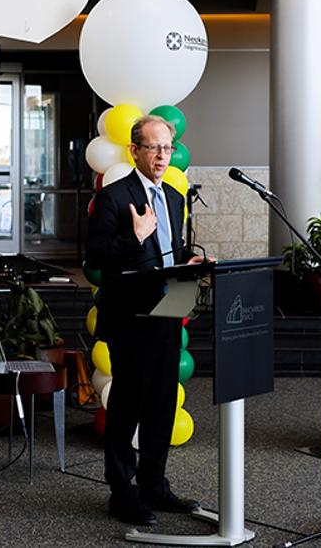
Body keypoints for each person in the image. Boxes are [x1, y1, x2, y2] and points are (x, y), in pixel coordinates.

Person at [86, 114, 206, 526]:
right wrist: (133, 237)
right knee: (127, 408)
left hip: (169, 311)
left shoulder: (174, 197)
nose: (161, 155)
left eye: (167, 147)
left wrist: (190, 262)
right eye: (153, 147)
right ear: (135, 150)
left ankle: (154, 485)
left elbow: (170, 252)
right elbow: (97, 257)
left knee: (161, 405)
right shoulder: (113, 198)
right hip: (131, 319)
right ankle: (122, 492)